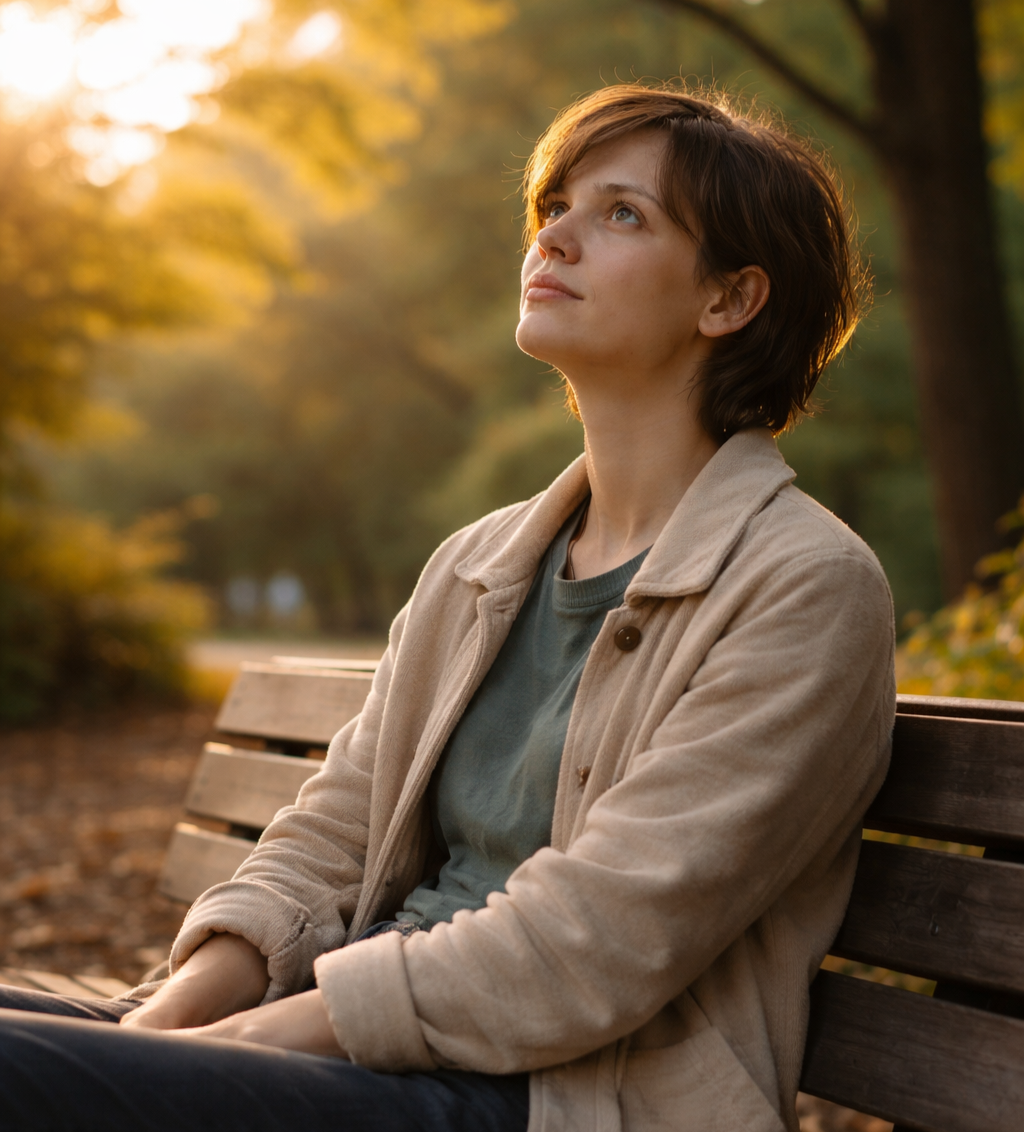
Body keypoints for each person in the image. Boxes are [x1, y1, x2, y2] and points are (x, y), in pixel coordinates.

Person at [0, 84, 895, 1132]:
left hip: (557, 1097)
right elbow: (331, 832)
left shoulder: (802, 589)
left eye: (620, 214)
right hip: (348, 1042)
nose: (553, 234)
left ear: (728, 300)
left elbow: (586, 944)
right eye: (552, 204)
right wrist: (163, 1023)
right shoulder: (482, 562)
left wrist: (233, 1045)